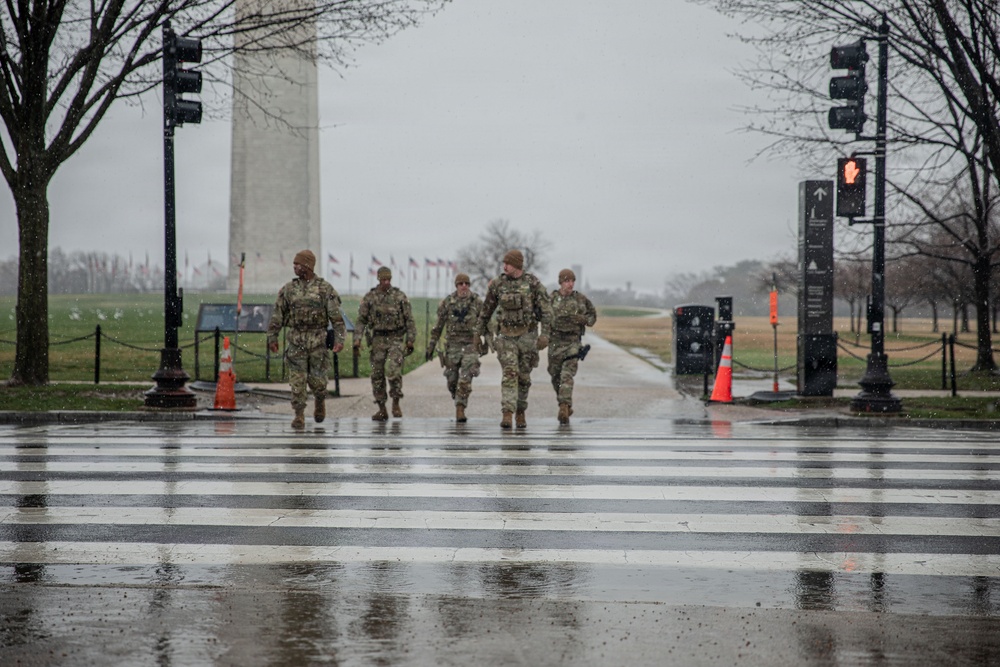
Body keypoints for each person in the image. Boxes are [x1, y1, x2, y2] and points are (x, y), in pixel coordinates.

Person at [267, 249, 346, 429]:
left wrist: (339, 339)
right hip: (296, 340)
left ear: (308, 266)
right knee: (297, 380)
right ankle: (299, 415)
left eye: (298, 264)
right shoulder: (288, 289)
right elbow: (278, 315)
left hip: (318, 341)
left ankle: (319, 400)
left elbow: (336, 318)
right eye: (294, 264)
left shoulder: (324, 289)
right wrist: (272, 336)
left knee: (318, 381)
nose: (294, 267)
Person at [476, 249, 551, 429]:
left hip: (527, 337)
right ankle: (507, 413)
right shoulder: (498, 284)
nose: (504, 267)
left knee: (524, 377)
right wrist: (477, 333)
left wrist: (545, 334)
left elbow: (547, 311)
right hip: (506, 337)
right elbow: (486, 311)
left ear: (517, 265)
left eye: (507, 263)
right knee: (510, 374)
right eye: (504, 263)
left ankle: (520, 411)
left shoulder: (532, 283)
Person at [354, 266, 416, 421]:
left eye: (388, 279)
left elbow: (409, 319)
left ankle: (396, 402)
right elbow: (361, 320)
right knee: (377, 375)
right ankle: (381, 408)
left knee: (394, 372)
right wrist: (357, 339)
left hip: (396, 338)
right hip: (378, 339)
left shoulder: (399, 297)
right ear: (379, 279)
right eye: (384, 279)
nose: (386, 282)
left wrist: (410, 339)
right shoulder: (370, 298)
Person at [426, 273, 487, 423]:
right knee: (452, 380)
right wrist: (431, 345)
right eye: (461, 284)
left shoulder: (477, 302)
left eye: (466, 283)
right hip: (453, 345)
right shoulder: (448, 303)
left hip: (470, 345)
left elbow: (485, 322)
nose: (464, 286)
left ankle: (460, 408)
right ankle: (457, 395)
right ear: (456, 286)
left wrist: (488, 341)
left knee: (465, 378)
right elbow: (438, 326)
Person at [544, 268, 597, 424]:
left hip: (572, 342)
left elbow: (592, 316)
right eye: (567, 281)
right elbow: (542, 316)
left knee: (567, 375)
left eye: (572, 281)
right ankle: (565, 404)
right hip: (555, 343)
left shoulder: (580, 299)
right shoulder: (551, 299)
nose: (570, 284)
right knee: (555, 375)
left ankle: (564, 406)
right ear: (561, 282)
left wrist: (583, 319)